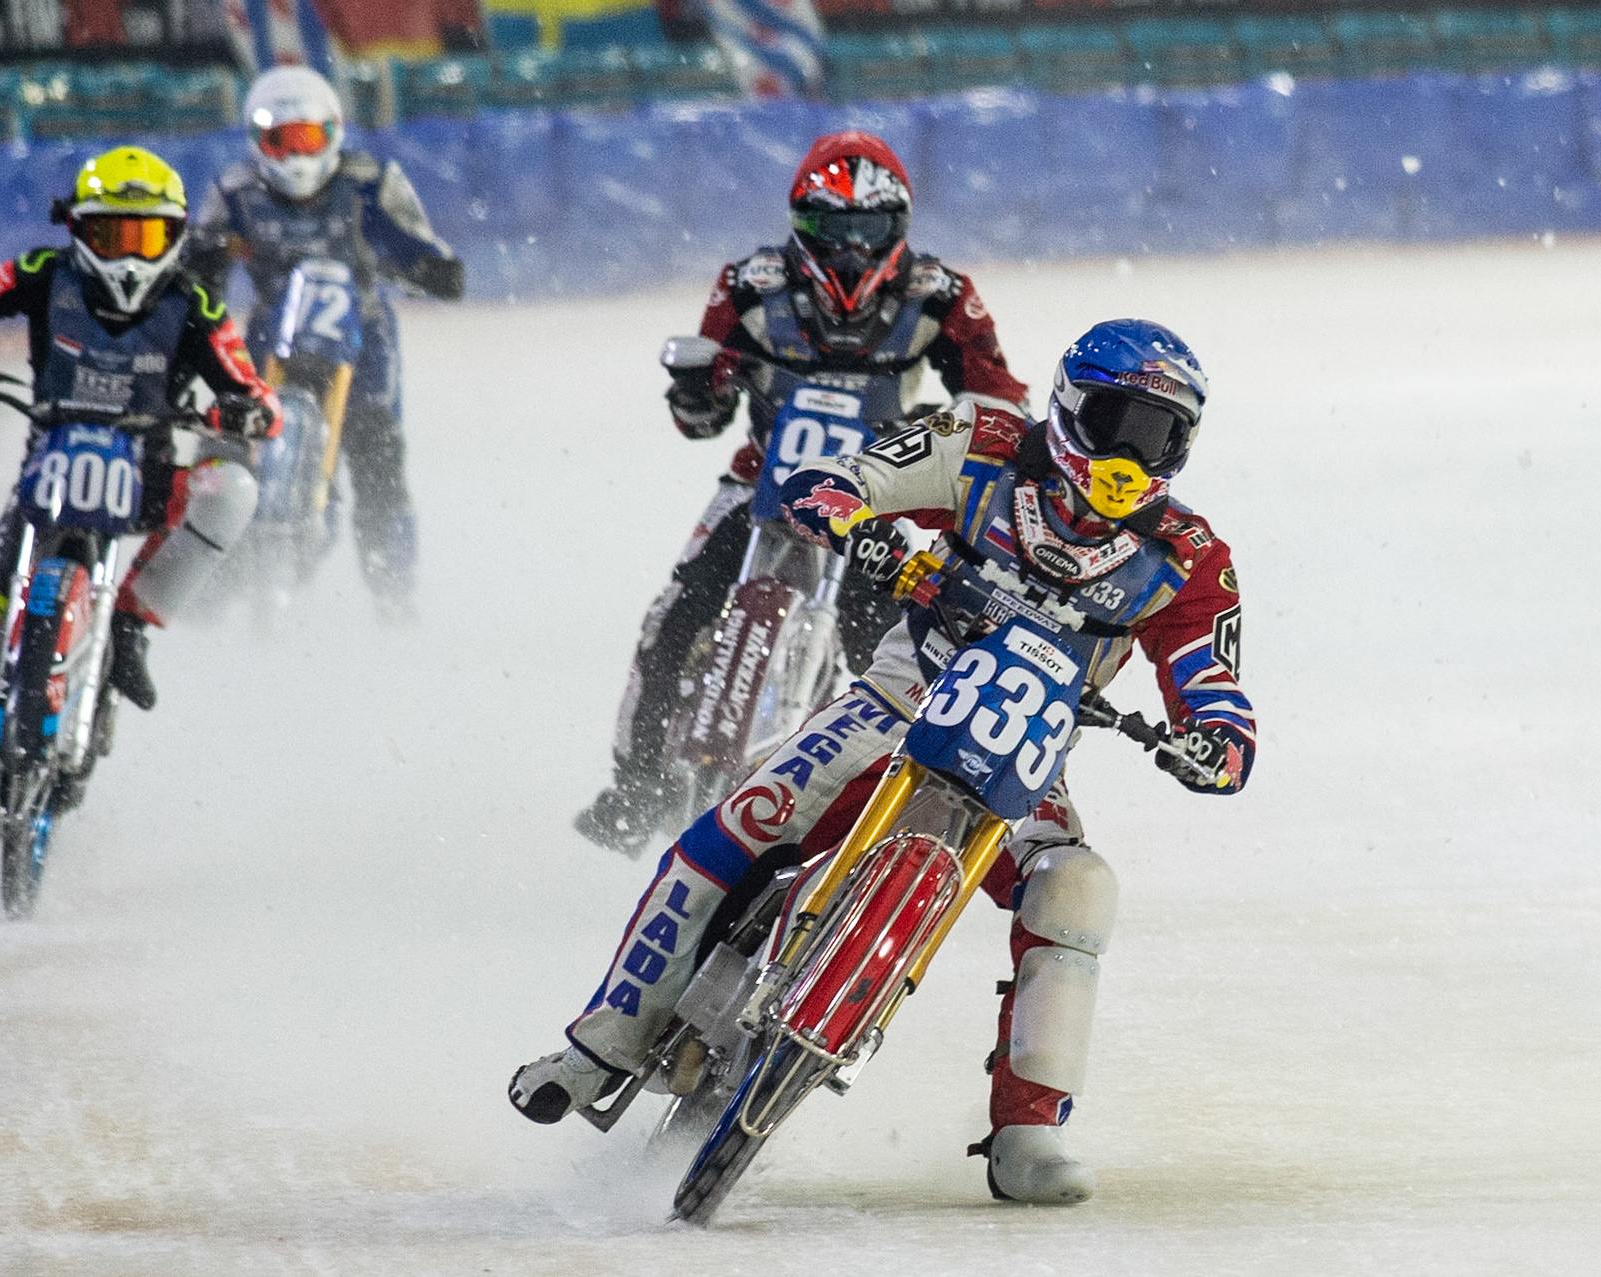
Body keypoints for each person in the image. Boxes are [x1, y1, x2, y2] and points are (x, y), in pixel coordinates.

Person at [512, 319, 1256, 1205]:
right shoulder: (979, 442)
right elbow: (831, 482)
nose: (1130, 454)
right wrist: (864, 530)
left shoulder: (1189, 558)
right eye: (1113, 422)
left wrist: (1213, 741)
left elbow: (1216, 687)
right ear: (1064, 407)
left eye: (1158, 435)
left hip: (1028, 753)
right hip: (902, 695)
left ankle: (1027, 1131)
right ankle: (601, 1046)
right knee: (748, 818)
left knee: (1076, 886)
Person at [576, 129, 1032, 853]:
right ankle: (634, 786)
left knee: (904, 647)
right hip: (760, 480)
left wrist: (990, 434)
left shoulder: (943, 295)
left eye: (869, 230)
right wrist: (700, 386)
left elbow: (996, 393)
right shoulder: (749, 284)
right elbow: (701, 414)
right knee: (672, 617)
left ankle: (904, 805)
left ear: (899, 229)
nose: (851, 250)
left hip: (875, 493)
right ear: (800, 225)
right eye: (833, 229)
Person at [0, 146, 279, 850]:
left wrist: (240, 413)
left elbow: (259, 397)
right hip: (45, 479)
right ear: (78, 233)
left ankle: (131, 621)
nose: (127, 255)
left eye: (145, 236)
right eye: (110, 234)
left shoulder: (196, 305)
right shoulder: (41, 274)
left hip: (148, 479)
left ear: (177, 236)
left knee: (233, 488)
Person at [185, 65, 465, 615]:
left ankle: (394, 594)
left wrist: (429, 268)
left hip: (362, 338)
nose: (295, 157)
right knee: (226, 442)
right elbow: (199, 270)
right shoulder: (234, 191)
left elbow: (422, 246)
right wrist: (207, 265)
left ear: (334, 133)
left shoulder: (371, 183)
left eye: (308, 138)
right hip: (271, 337)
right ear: (257, 142)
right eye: (280, 141)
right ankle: (206, 580)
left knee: (378, 456)